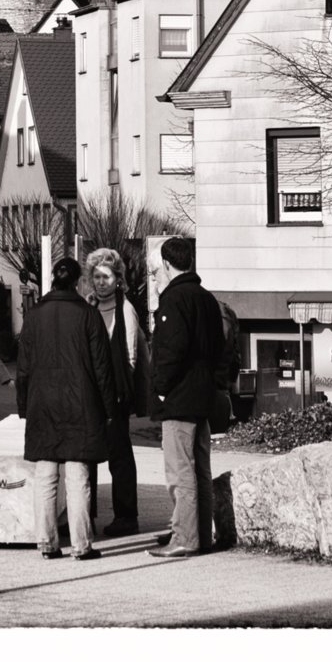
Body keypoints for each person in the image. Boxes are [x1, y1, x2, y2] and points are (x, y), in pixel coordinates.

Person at [16, 255, 117, 561]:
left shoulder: (33, 316)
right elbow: (102, 367)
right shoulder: (88, 315)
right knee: (77, 477)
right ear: (77, 281)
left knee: (45, 476)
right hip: (81, 404)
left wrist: (25, 407)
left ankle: (46, 543)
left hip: (42, 404)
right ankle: (82, 545)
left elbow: (23, 367)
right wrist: (108, 407)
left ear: (52, 280)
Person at [147, 235, 225, 559]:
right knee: (200, 470)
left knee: (181, 472)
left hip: (179, 399)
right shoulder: (207, 299)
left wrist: (161, 388)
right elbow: (220, 347)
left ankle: (185, 537)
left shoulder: (173, 300)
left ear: (166, 264)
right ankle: (200, 534)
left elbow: (169, 351)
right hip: (204, 396)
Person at [82, 247, 148, 537]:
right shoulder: (89, 307)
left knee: (119, 457)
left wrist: (123, 390)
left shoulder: (126, 309)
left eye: (106, 276)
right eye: (96, 276)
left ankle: (126, 516)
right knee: (88, 455)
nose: (100, 282)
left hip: (116, 395)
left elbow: (132, 355)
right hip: (91, 394)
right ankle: (87, 514)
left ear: (117, 279)